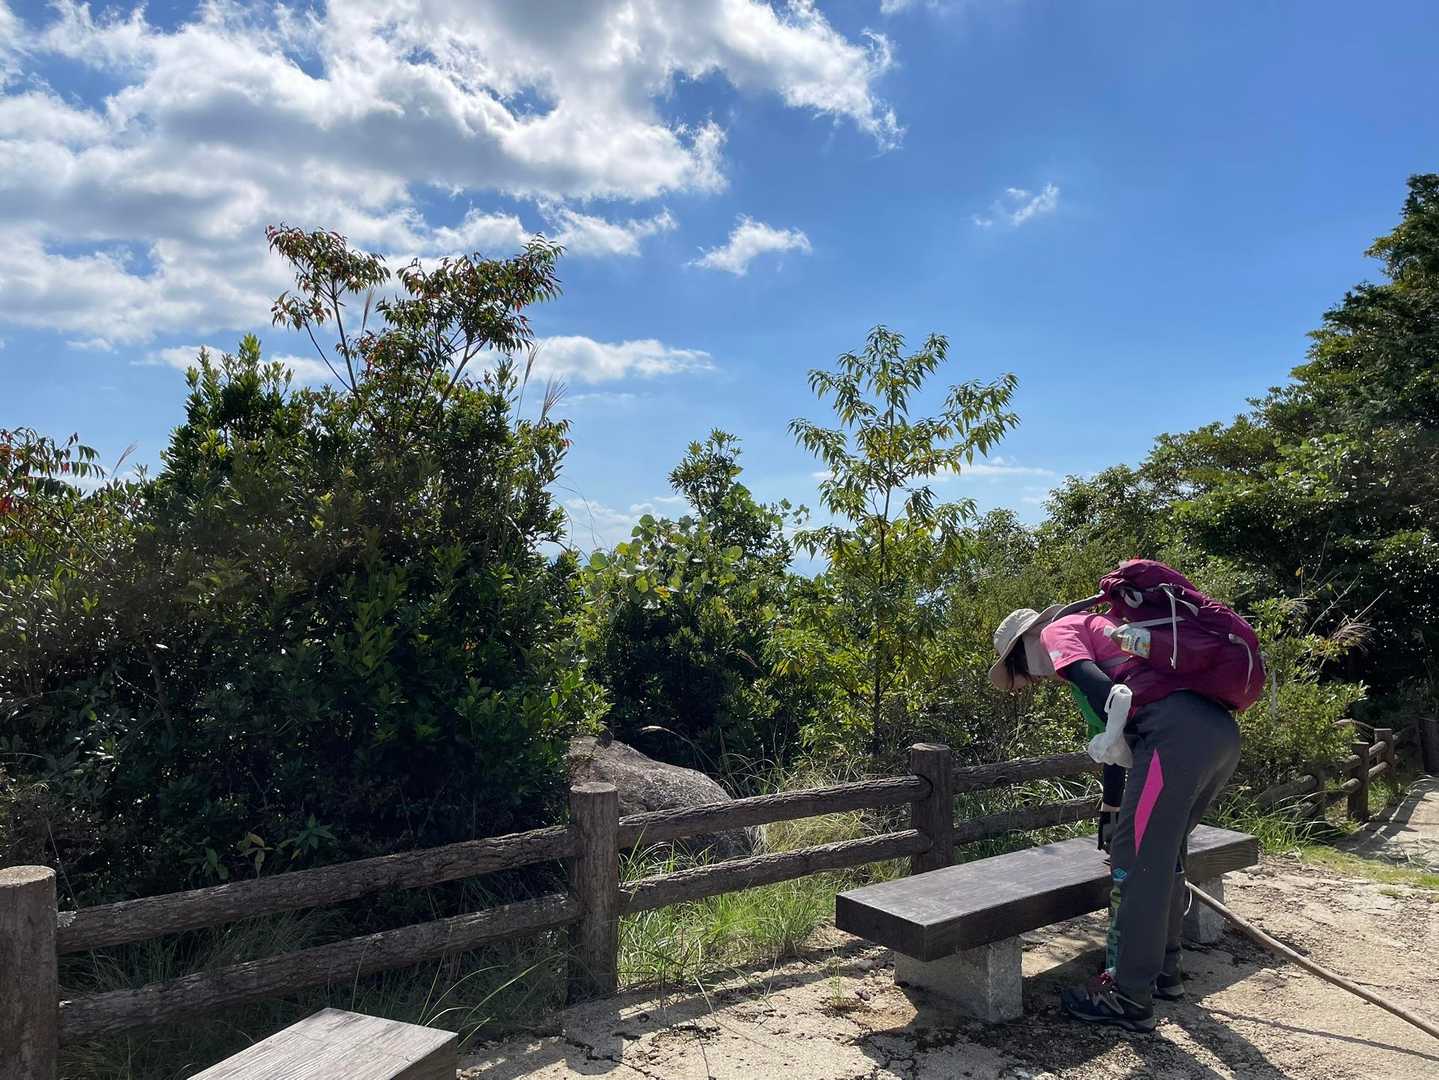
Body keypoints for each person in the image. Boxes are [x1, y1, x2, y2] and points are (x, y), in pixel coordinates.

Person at [989, 603, 1241, 1032]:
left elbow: (1110, 696)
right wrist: (1112, 804)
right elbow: (1115, 731)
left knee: (1134, 862)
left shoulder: (1058, 632)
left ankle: (1127, 994)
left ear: (1025, 643)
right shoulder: (1106, 630)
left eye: (1020, 670)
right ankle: (1164, 973)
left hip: (1171, 736)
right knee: (1162, 856)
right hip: (1215, 735)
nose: (1030, 681)